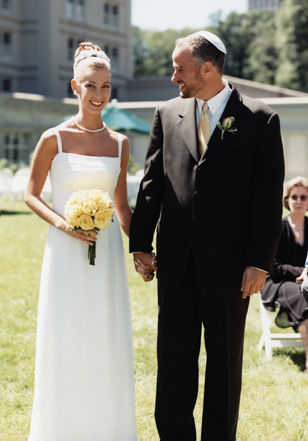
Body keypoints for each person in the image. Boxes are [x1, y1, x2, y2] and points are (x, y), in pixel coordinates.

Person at [129, 31, 284, 441]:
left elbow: (268, 200)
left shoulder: (260, 119)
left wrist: (259, 262)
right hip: (175, 267)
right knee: (174, 363)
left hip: (232, 271)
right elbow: (152, 186)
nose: (173, 76)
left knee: (224, 368)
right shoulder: (166, 113)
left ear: (208, 69)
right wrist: (141, 243)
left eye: (180, 68)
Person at [25, 42, 138, 440]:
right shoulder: (52, 139)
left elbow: (122, 207)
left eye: (106, 86)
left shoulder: (121, 144)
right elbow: (31, 194)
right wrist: (64, 225)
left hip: (106, 256)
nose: (98, 95)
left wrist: (141, 248)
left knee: (105, 335)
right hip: (65, 254)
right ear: (75, 86)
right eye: (90, 85)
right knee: (67, 334)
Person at [261, 177, 308, 369]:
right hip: (277, 282)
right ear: (286, 200)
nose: (298, 201)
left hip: (305, 281)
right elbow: (272, 265)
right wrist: (302, 272)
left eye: (303, 197)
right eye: (294, 197)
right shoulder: (277, 228)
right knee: (303, 296)